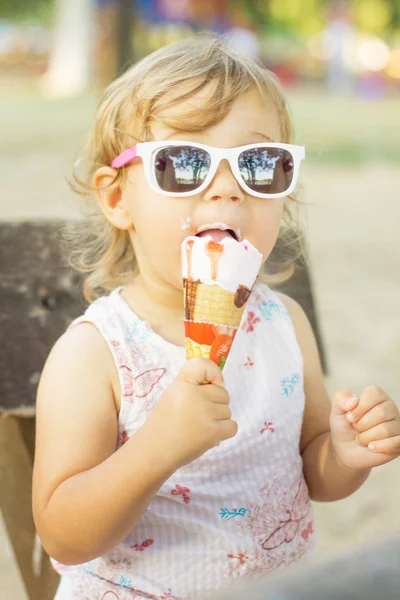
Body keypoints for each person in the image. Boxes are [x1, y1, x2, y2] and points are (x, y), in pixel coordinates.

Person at [32, 34, 400, 600]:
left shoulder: (284, 323)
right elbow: (64, 535)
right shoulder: (95, 354)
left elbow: (313, 470)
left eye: (257, 164)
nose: (227, 189)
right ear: (117, 199)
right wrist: (159, 446)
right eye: (183, 164)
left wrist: (345, 454)